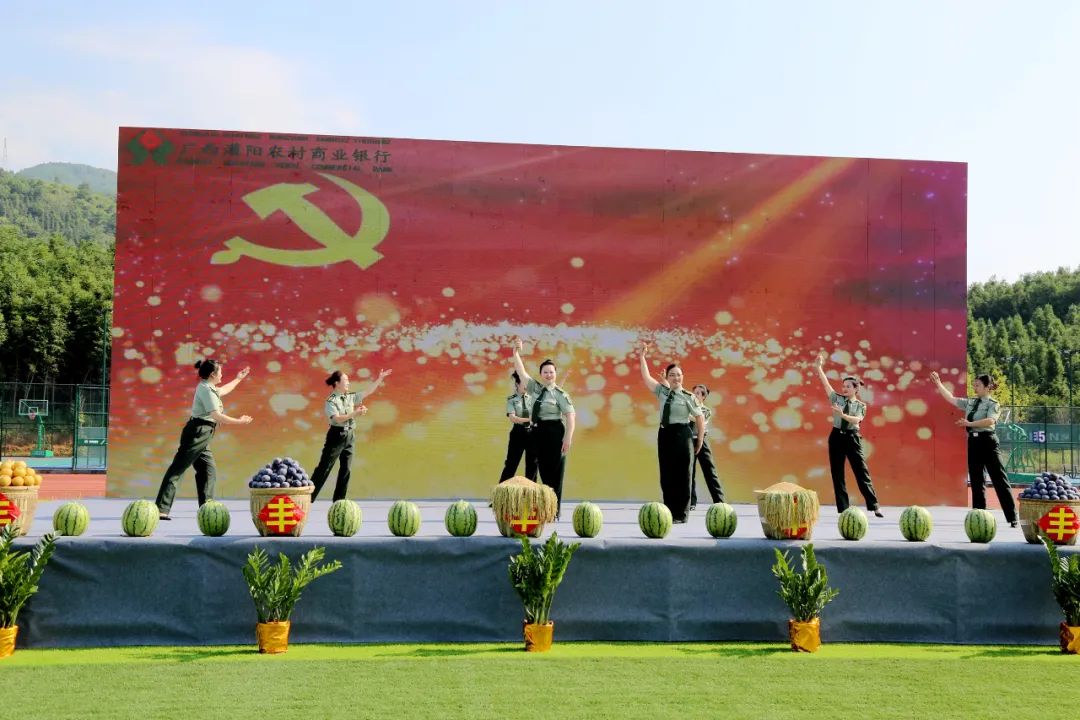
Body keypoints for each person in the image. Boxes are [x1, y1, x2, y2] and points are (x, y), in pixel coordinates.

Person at [155, 359, 252, 520]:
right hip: (198, 433)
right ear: (213, 374)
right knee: (178, 468)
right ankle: (161, 509)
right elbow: (216, 415)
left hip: (203, 433)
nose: (221, 375)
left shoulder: (209, 388)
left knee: (208, 469)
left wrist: (238, 378)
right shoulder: (206, 389)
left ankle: (206, 508)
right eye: (220, 372)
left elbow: (224, 390)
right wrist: (240, 421)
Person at [929, 370, 1018, 528]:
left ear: (987, 387)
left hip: (988, 442)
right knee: (977, 482)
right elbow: (951, 399)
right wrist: (938, 383)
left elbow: (990, 421)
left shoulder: (993, 404)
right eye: (974, 385)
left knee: (999, 479)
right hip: (974, 443)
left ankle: (1012, 517)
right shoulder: (970, 402)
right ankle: (979, 518)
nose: (975, 388)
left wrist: (969, 424)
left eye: (978, 385)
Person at [638, 342, 705, 523]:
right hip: (665, 434)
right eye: (672, 375)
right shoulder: (662, 392)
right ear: (667, 377)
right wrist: (642, 357)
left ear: (683, 377)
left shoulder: (689, 397)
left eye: (678, 375)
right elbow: (646, 377)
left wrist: (699, 440)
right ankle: (669, 512)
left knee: (683, 474)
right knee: (667, 474)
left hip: (682, 434)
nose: (676, 378)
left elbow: (699, 418)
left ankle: (681, 514)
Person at [813, 352, 884, 517]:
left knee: (861, 472)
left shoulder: (861, 405)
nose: (844, 388)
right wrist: (819, 368)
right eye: (843, 386)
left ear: (856, 389)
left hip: (852, 438)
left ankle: (874, 505)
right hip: (836, 437)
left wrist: (843, 415)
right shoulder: (836, 399)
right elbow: (826, 384)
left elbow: (857, 420)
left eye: (848, 386)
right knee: (837, 474)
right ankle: (844, 509)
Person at [511, 339, 575, 517]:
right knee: (541, 471)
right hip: (537, 433)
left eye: (551, 372)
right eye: (545, 372)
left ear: (555, 374)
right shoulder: (535, 388)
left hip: (554, 432)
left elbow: (571, 416)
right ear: (540, 374)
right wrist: (515, 353)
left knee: (555, 473)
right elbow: (522, 372)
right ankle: (542, 509)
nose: (548, 375)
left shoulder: (560, 394)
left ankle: (554, 511)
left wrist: (568, 438)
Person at [310, 368, 392, 502]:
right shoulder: (331, 400)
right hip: (336, 436)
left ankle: (339, 501)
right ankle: (307, 498)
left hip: (349, 435)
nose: (348, 382)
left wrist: (380, 378)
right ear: (337, 383)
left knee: (346, 469)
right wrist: (355, 413)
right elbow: (337, 419)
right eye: (346, 380)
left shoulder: (349, 396)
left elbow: (368, 392)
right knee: (324, 468)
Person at [689, 384, 725, 509]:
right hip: (688, 441)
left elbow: (699, 421)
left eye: (699, 393)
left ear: (703, 396)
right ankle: (691, 503)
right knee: (689, 473)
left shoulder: (706, 411)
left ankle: (719, 502)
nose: (695, 395)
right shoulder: (687, 408)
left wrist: (687, 415)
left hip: (702, 441)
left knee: (710, 471)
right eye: (694, 393)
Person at [498, 371, 538, 482]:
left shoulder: (534, 398)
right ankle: (502, 490)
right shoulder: (512, 399)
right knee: (511, 463)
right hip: (518, 433)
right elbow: (513, 418)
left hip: (533, 433)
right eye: (524, 383)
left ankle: (531, 491)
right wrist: (529, 419)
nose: (526, 386)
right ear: (517, 384)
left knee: (533, 465)